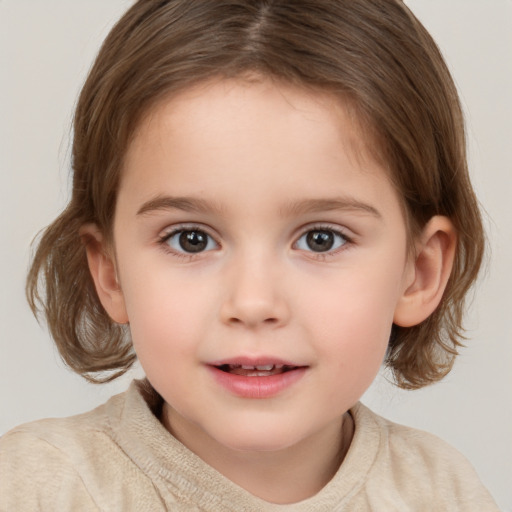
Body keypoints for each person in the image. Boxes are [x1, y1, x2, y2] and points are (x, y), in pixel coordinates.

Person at [0, 0, 501, 510]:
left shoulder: (442, 493)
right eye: (191, 239)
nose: (254, 301)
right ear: (111, 272)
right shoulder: (39, 489)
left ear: (418, 272)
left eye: (321, 239)